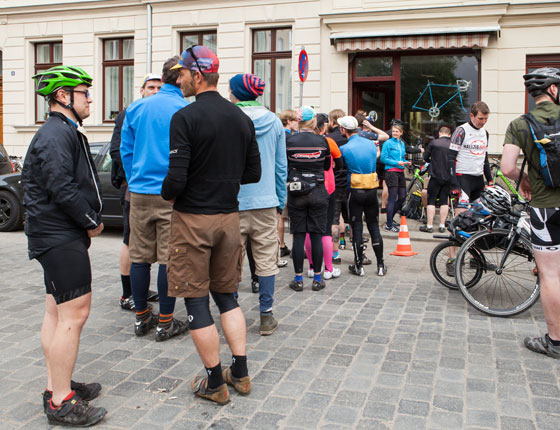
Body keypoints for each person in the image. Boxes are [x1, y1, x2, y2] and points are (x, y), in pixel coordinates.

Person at [162, 46, 261, 404]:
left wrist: (171, 194)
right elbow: (254, 172)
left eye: (183, 74)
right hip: (229, 218)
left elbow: (175, 179)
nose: (179, 79)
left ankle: (215, 383)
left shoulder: (185, 118)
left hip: (193, 219)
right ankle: (241, 372)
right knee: (227, 296)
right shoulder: (241, 118)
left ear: (198, 75)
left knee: (196, 301)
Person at [23, 65, 107, 426]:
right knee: (74, 315)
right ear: (63, 96)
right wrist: (91, 221)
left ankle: (56, 384)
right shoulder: (57, 134)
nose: (90, 98)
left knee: (56, 314)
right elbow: (61, 186)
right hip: (59, 236)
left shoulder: (63, 130)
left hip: (55, 234)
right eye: (84, 92)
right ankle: (61, 401)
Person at [120, 57, 189, 341]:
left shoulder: (136, 107)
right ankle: (165, 321)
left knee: (139, 257)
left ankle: (140, 318)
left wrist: (135, 178)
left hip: (139, 191)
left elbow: (126, 151)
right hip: (171, 195)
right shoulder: (185, 109)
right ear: (182, 78)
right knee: (167, 259)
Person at [501, 67, 560, 359]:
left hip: (545, 206)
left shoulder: (520, 124)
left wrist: (523, 181)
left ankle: (555, 341)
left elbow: (507, 167)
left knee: (550, 275)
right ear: (553, 89)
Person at [229, 72, 287, 336]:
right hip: (265, 202)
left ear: (236, 93)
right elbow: (280, 167)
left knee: (230, 259)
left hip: (233, 202)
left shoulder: (228, 118)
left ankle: (231, 311)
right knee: (265, 258)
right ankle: (266, 316)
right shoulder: (274, 121)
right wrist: (279, 201)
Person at [110, 73, 162, 311]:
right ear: (141, 90)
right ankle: (127, 294)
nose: (155, 91)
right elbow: (116, 151)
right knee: (131, 242)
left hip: (150, 189)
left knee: (148, 247)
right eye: (150, 87)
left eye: (159, 87)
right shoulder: (129, 113)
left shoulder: (159, 113)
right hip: (133, 189)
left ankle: (140, 290)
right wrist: (134, 179)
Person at [286, 106, 331, 292]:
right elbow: (328, 165)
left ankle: (298, 279)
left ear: (298, 121)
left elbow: (285, 164)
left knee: (298, 236)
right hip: (318, 190)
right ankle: (317, 279)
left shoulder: (289, 140)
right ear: (313, 121)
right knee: (316, 236)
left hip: (296, 191)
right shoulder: (322, 141)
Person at [338, 116, 387, 277]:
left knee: (357, 227)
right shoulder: (370, 145)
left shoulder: (344, 148)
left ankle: (359, 266)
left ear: (343, 130)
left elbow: (340, 167)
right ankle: (380, 265)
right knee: (374, 226)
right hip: (372, 189)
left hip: (355, 190)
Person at [304, 113, 343, 280]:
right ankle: (328, 269)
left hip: (305, 187)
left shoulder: (300, 141)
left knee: (307, 229)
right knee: (325, 229)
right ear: (322, 127)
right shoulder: (329, 142)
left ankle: (312, 267)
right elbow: (340, 164)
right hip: (327, 187)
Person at [448, 101, 493, 211]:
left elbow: (484, 158)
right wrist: (454, 183)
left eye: (486, 119)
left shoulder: (485, 132)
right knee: (462, 213)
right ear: (472, 116)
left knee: (479, 214)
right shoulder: (461, 131)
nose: (483, 122)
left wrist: (490, 180)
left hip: (478, 177)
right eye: (480, 118)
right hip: (463, 177)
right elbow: (450, 158)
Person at [380, 120, 415, 232]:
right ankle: (389, 224)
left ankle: (390, 219)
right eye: (393, 131)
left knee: (402, 197)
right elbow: (383, 158)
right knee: (392, 198)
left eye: (397, 131)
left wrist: (406, 162)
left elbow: (401, 158)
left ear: (401, 133)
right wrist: (397, 163)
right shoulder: (388, 143)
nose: (394, 133)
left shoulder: (401, 143)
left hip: (400, 171)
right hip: (391, 172)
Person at [420, 126, 453, 233]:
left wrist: (433, 159)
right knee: (444, 200)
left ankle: (429, 226)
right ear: (449, 135)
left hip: (435, 175)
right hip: (448, 176)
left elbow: (425, 158)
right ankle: (442, 225)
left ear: (439, 133)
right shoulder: (452, 144)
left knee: (431, 200)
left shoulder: (434, 143)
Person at [327, 108, 349, 264]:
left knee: (334, 218)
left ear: (332, 121)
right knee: (353, 218)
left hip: (333, 183)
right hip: (350, 182)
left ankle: (335, 253)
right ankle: (358, 252)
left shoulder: (328, 138)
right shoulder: (350, 138)